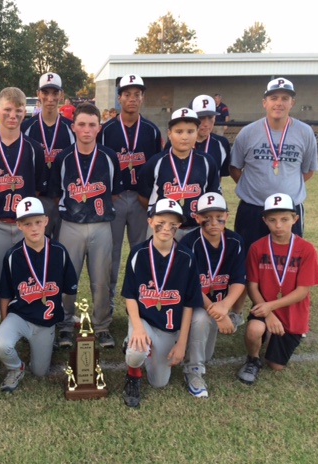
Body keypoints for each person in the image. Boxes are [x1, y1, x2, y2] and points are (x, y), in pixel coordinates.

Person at [230, 78, 318, 322]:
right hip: (252, 207)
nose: (279, 102)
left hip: (288, 212)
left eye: (284, 98)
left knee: (286, 260)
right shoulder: (248, 133)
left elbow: (307, 170)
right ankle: (237, 311)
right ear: (264, 102)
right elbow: (235, 168)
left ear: (292, 102)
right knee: (247, 259)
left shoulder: (304, 132)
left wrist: (285, 195)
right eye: (274, 97)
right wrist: (255, 189)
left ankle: (281, 309)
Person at [0, 87, 46, 341]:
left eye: (18, 111)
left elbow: (36, 187)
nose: (12, 116)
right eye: (8, 110)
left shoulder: (34, 148)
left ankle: (26, 322)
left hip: (26, 225)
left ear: (25, 113)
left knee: (28, 276)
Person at [48, 102, 122, 349]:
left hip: (101, 225)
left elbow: (113, 193)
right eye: (82, 124)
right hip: (70, 225)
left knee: (101, 280)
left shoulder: (109, 157)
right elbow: (58, 193)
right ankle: (66, 325)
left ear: (99, 128)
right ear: (73, 127)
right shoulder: (64, 157)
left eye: (92, 124)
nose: (87, 130)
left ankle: (101, 326)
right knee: (68, 277)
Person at [121, 199, 203, 407]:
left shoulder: (187, 257)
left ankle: (147, 349)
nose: (166, 227)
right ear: (150, 221)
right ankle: (133, 374)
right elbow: (130, 295)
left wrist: (182, 343)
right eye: (161, 221)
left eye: (172, 223)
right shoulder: (138, 253)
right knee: (136, 351)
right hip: (145, 320)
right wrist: (138, 327)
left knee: (159, 382)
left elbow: (189, 304)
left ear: (179, 226)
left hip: (169, 327)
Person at [0, 197, 78, 392]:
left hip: (46, 321)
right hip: (20, 315)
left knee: (40, 372)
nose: (34, 228)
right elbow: (5, 293)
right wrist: (5, 322)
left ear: (46, 221)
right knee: (0, 344)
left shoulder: (59, 252)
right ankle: (16, 367)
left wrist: (61, 317)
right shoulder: (13, 255)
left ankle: (48, 340)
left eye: (38, 222)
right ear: (19, 225)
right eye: (28, 223)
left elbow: (69, 290)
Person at [237, 193, 318, 385]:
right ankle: (253, 359)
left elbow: (302, 291)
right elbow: (252, 286)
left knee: (276, 365)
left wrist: (271, 307)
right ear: (264, 220)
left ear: (295, 219)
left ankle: (277, 335)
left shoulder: (306, 249)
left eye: (284, 219)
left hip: (292, 311)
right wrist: (267, 313)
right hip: (263, 305)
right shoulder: (257, 248)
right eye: (272, 220)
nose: (278, 225)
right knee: (253, 329)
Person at [98, 74, 162, 313]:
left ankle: (139, 302)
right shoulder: (106, 130)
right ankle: (109, 302)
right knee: (111, 253)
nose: (132, 99)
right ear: (119, 98)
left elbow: (159, 165)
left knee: (142, 251)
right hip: (114, 198)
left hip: (140, 199)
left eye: (137, 94)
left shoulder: (151, 130)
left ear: (142, 98)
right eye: (127, 94)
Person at [179, 193, 246, 398]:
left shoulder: (235, 240)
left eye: (219, 216)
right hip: (197, 303)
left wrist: (225, 307)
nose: (214, 222)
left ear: (227, 215)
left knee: (207, 354)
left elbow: (238, 280)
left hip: (221, 303)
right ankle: (194, 370)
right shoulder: (189, 242)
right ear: (197, 217)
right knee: (200, 319)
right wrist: (220, 314)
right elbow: (192, 287)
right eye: (206, 217)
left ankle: (199, 354)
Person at [137, 108, 220, 241]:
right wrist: (159, 213)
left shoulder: (207, 162)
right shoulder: (156, 162)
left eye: (190, 131)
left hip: (196, 228)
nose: (185, 137)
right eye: (179, 131)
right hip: (163, 228)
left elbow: (212, 195)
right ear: (169, 133)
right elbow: (143, 196)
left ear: (197, 132)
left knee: (195, 262)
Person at [22, 72, 76, 239]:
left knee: (62, 248)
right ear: (38, 94)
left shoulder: (71, 128)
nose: (50, 98)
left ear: (61, 94)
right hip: (37, 198)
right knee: (36, 246)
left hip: (63, 199)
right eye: (46, 93)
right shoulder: (26, 127)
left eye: (55, 93)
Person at [165, 95, 230, 188]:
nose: (206, 124)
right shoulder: (175, 144)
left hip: (210, 198)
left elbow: (219, 176)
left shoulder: (222, 143)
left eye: (211, 117)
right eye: (201, 118)